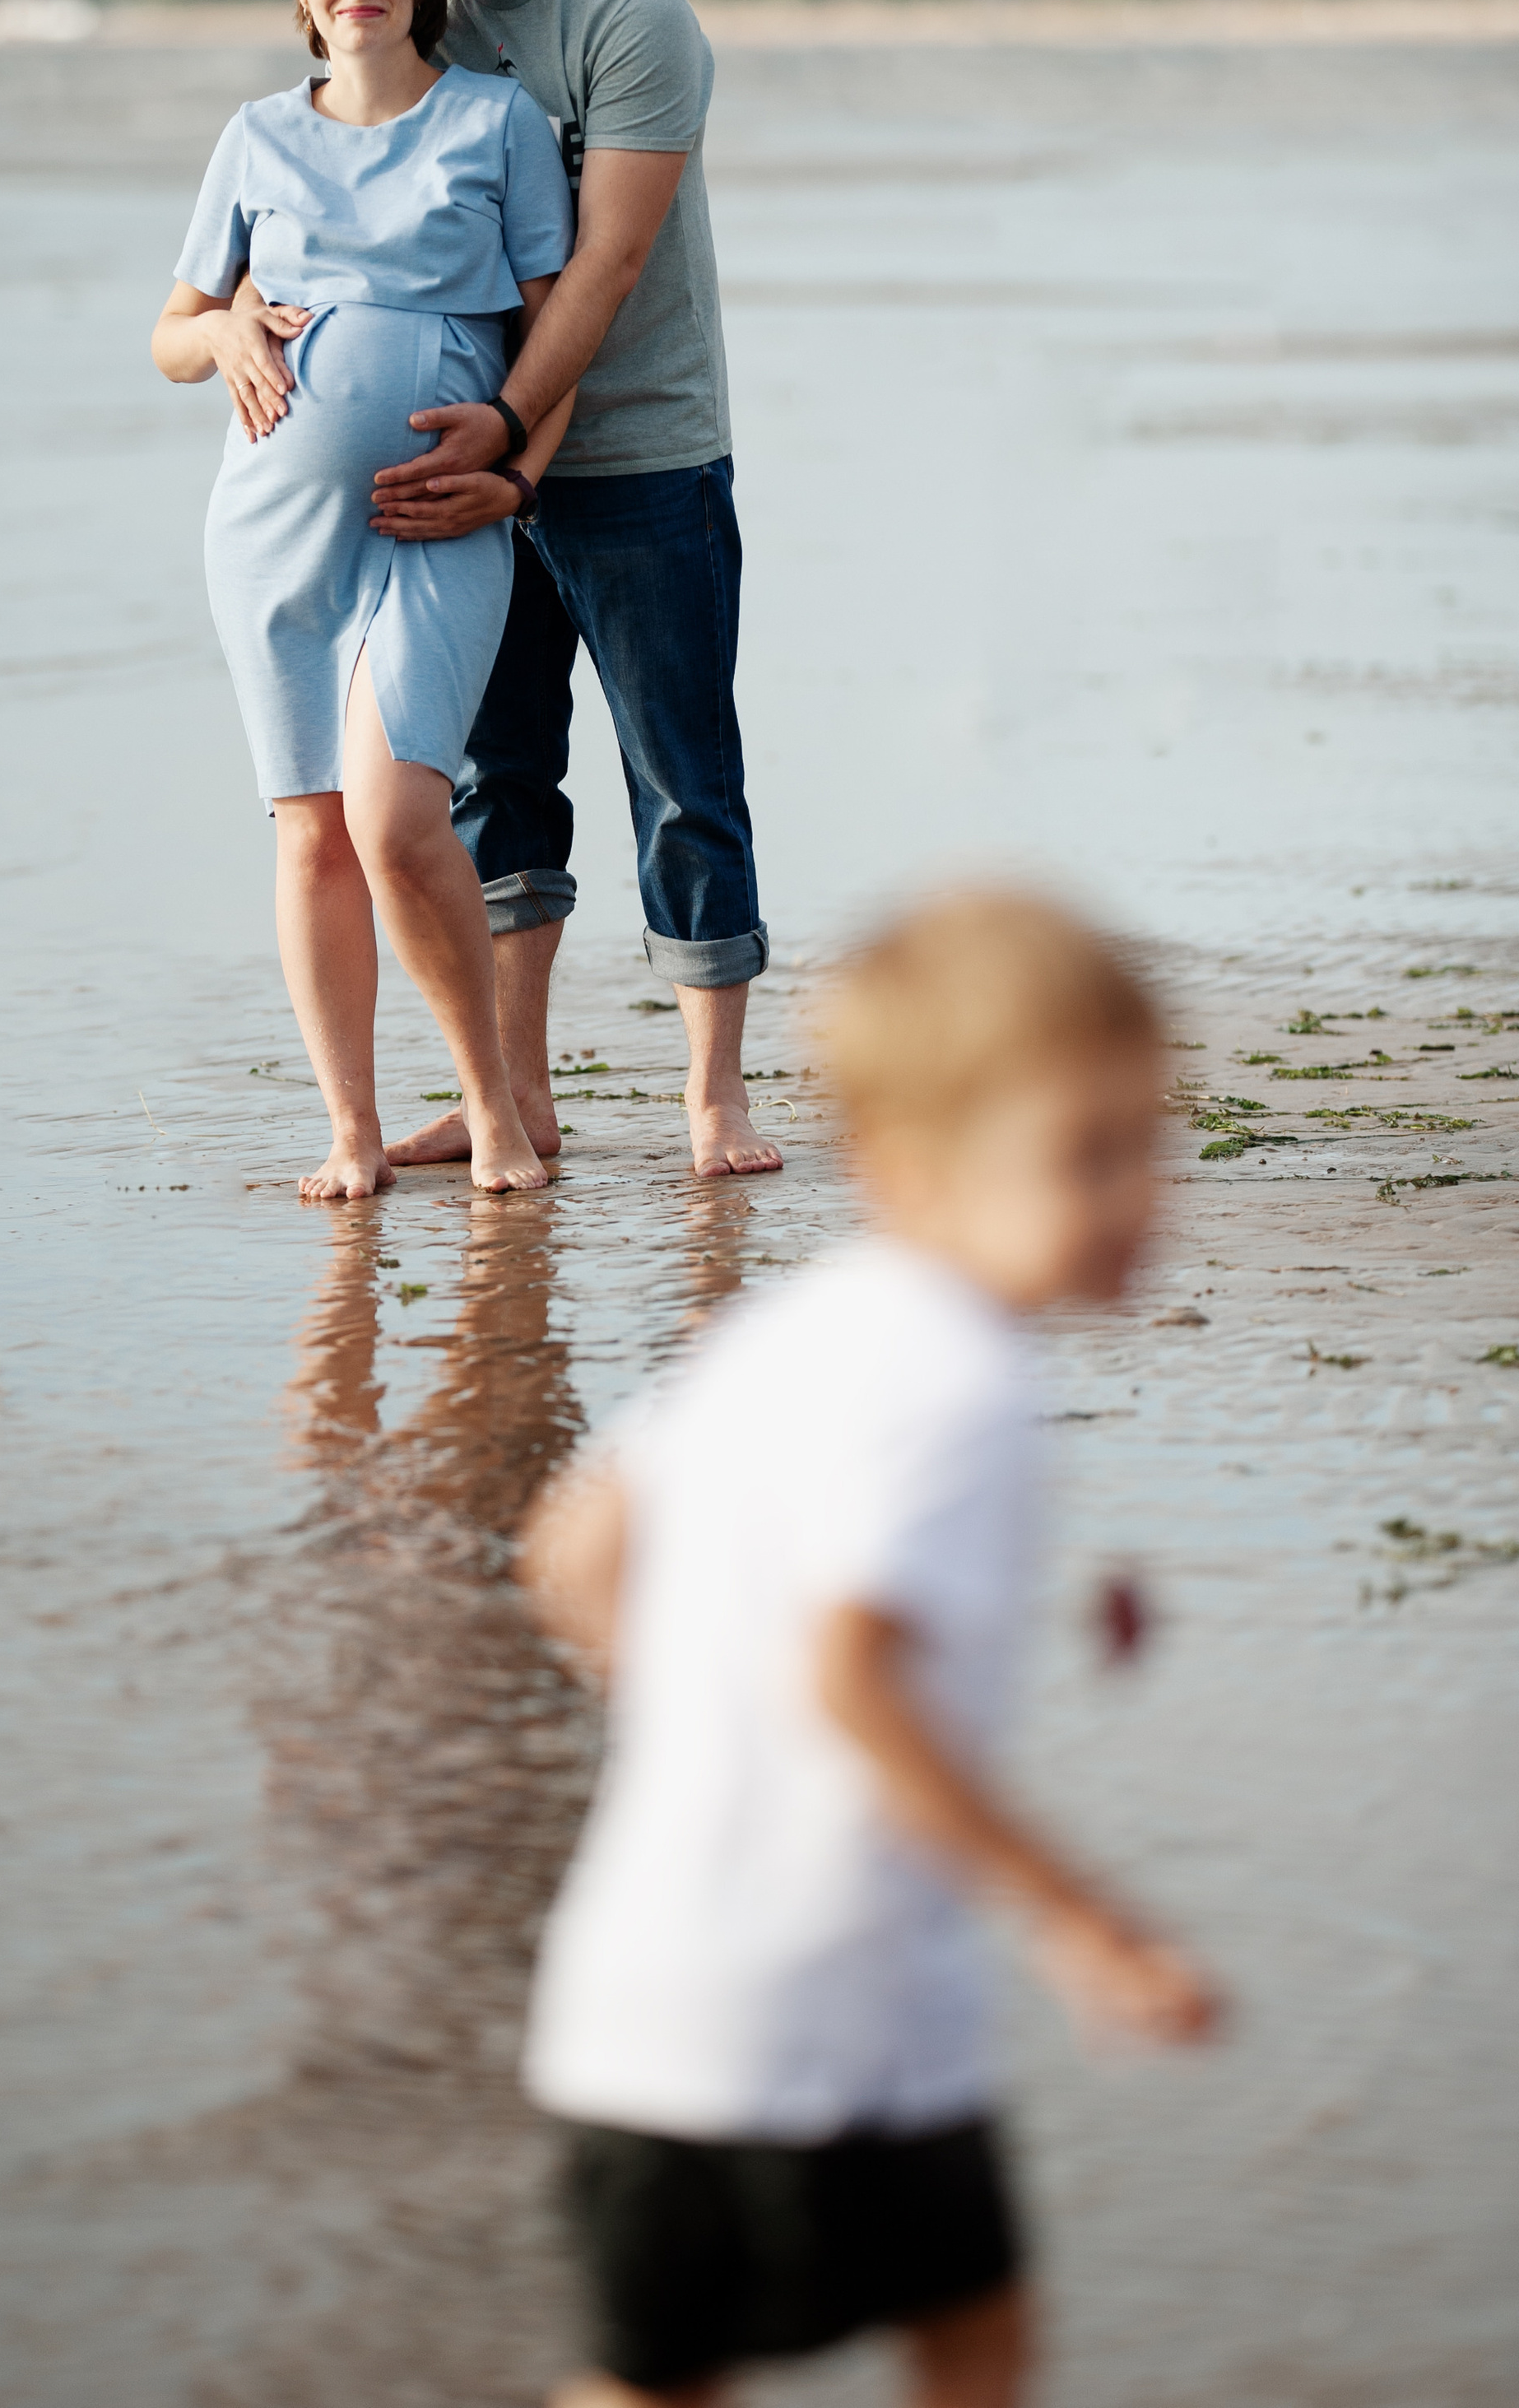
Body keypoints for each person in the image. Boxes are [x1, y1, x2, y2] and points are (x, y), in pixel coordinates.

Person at [517, 889, 1224, 2407]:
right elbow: (852, 1676)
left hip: (638, 1994)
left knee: (656, 2374)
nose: (1136, 1195)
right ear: (908, 1171)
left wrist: (704, 1718)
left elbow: (571, 1549)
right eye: (1083, 1155)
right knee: (976, 2342)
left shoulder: (792, 1326)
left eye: (1147, 1141)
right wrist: (1078, 1920)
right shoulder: (963, 1383)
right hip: (832, 2019)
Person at [223, 0, 781, 1182]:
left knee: (680, 766)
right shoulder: (432, 13)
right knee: (497, 780)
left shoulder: (630, 14)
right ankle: (511, 1099)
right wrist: (234, 318)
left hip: (638, 451)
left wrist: (517, 453)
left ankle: (712, 1096)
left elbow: (604, 267)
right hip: (464, 482)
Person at [152, 0, 576, 1202]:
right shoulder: (256, 137)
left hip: (439, 524)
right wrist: (221, 328)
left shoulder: (496, 123)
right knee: (309, 833)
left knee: (401, 819)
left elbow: (557, 336)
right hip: (272, 529)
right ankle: (349, 1129)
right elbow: (172, 334)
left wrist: (516, 476)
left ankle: (494, 1109)